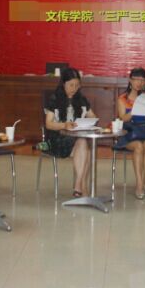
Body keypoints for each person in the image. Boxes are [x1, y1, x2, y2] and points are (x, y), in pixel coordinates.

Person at [43, 68, 97, 197]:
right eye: (71, 85)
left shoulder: (81, 99)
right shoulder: (55, 99)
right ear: (63, 84)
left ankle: (79, 186)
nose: (74, 88)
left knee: (83, 144)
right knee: (86, 151)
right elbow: (48, 124)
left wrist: (90, 121)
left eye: (77, 85)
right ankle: (82, 187)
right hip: (57, 140)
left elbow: (93, 116)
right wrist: (64, 125)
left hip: (76, 140)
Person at [114, 67, 145, 199]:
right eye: (136, 79)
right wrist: (134, 109)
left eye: (142, 80)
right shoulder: (122, 98)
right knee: (139, 146)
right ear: (130, 80)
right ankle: (139, 183)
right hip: (129, 133)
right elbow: (123, 118)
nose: (139, 83)